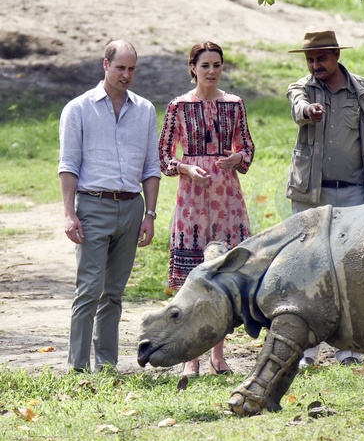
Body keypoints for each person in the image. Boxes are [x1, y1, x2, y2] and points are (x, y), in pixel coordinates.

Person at [286, 29, 364, 368]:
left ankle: (349, 348)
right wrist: (308, 111)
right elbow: (297, 106)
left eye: (321, 58)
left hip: (355, 190)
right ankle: (308, 350)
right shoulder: (302, 88)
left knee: (352, 269)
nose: (315, 65)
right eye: (310, 60)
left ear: (336, 55)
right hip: (313, 193)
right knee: (310, 269)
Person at [58, 40, 161, 373]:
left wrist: (149, 215)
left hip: (131, 209)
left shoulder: (145, 110)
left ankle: (106, 365)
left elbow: (151, 167)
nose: (126, 75)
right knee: (89, 289)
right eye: (120, 68)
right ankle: (77, 367)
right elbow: (68, 165)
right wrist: (69, 213)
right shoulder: (78, 109)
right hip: (93, 205)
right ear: (106, 65)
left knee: (114, 292)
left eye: (132, 69)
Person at [158, 41, 255, 377]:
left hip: (226, 195)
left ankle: (218, 355)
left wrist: (236, 157)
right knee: (191, 278)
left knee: (223, 274)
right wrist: (185, 168)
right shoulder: (178, 107)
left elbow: (248, 147)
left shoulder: (234, 104)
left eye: (217, 65)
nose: (212, 71)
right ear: (193, 68)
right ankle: (191, 357)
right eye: (205, 66)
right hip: (192, 198)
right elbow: (164, 155)